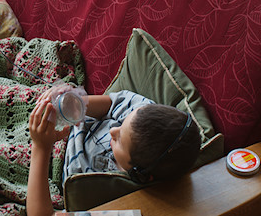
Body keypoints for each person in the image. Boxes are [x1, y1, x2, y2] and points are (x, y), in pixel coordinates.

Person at [27, 88, 201, 216]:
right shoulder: (145, 116)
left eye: (119, 140)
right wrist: (74, 104)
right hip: (69, 123)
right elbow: (111, 103)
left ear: (140, 174)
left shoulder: (114, 198)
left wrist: (40, 147)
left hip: (44, 161)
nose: (113, 130)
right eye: (121, 124)